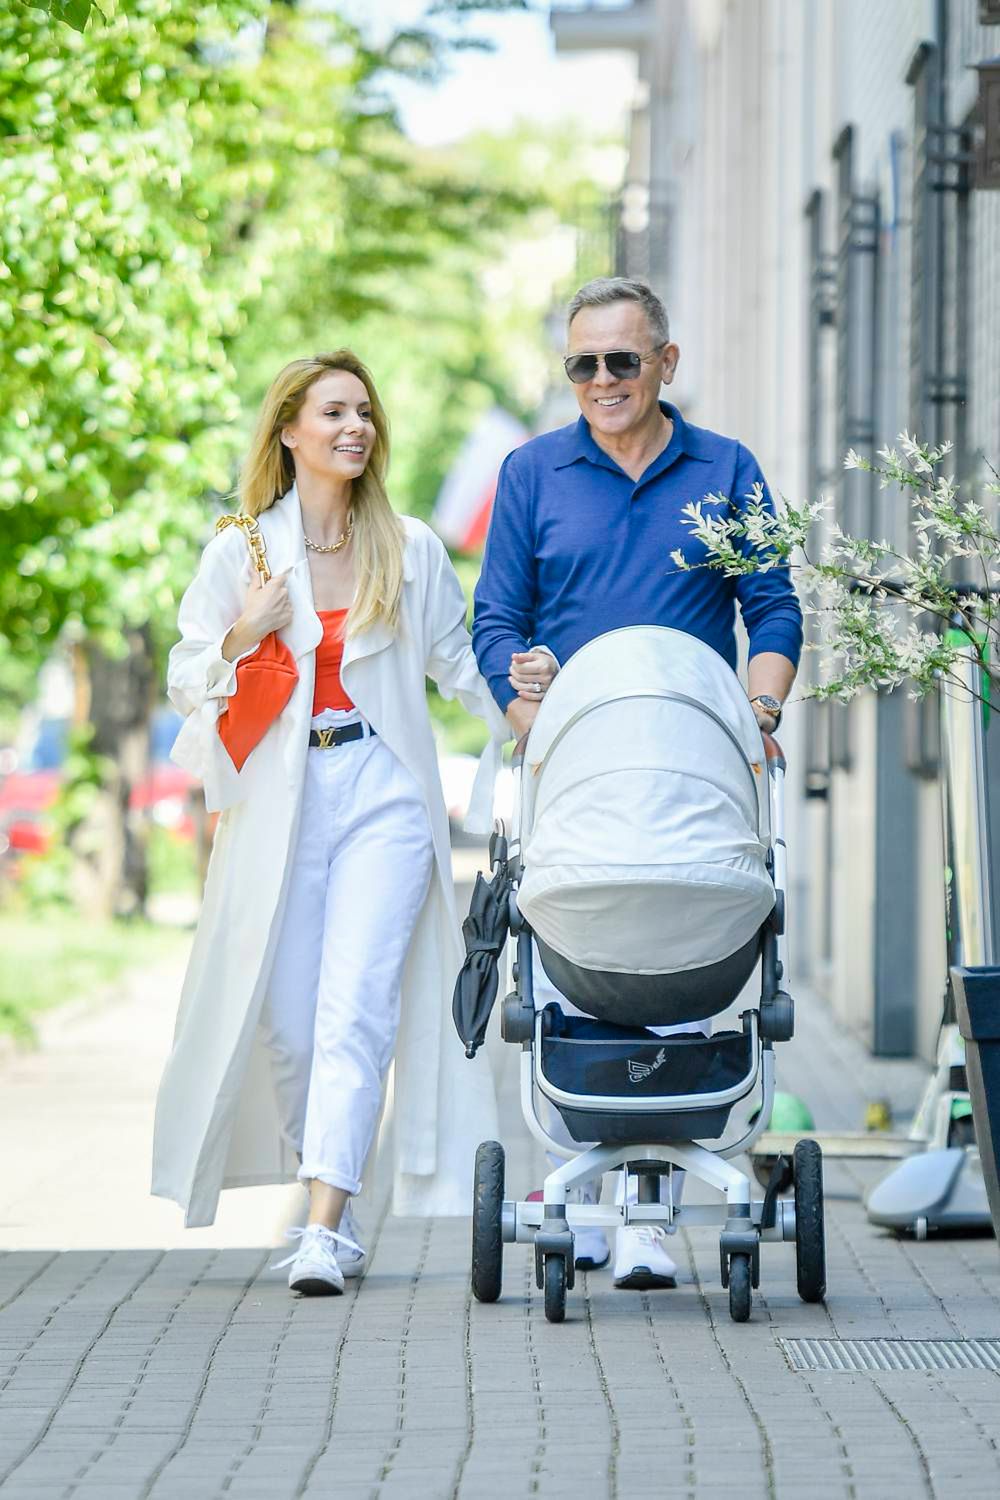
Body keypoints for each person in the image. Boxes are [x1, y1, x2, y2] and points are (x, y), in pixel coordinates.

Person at [152, 350, 556, 1295]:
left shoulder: (408, 547)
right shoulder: (242, 552)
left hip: (383, 789)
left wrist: (528, 696)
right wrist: (246, 630)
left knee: (356, 1011)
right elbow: (186, 680)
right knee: (289, 1025)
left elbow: (462, 664)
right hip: (279, 802)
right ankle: (328, 1177)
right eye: (334, 411)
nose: (355, 427)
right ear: (290, 428)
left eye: (365, 413)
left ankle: (328, 1223)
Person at [473, 277, 803, 1290]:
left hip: (690, 769)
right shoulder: (532, 472)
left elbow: (774, 608)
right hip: (576, 770)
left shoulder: (726, 470)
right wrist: (535, 724)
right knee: (589, 940)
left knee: (677, 942)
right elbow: (495, 626)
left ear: (665, 362)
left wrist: (758, 716)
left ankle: (649, 1207)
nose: (602, 381)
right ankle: (605, 1193)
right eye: (583, 364)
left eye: (622, 360)